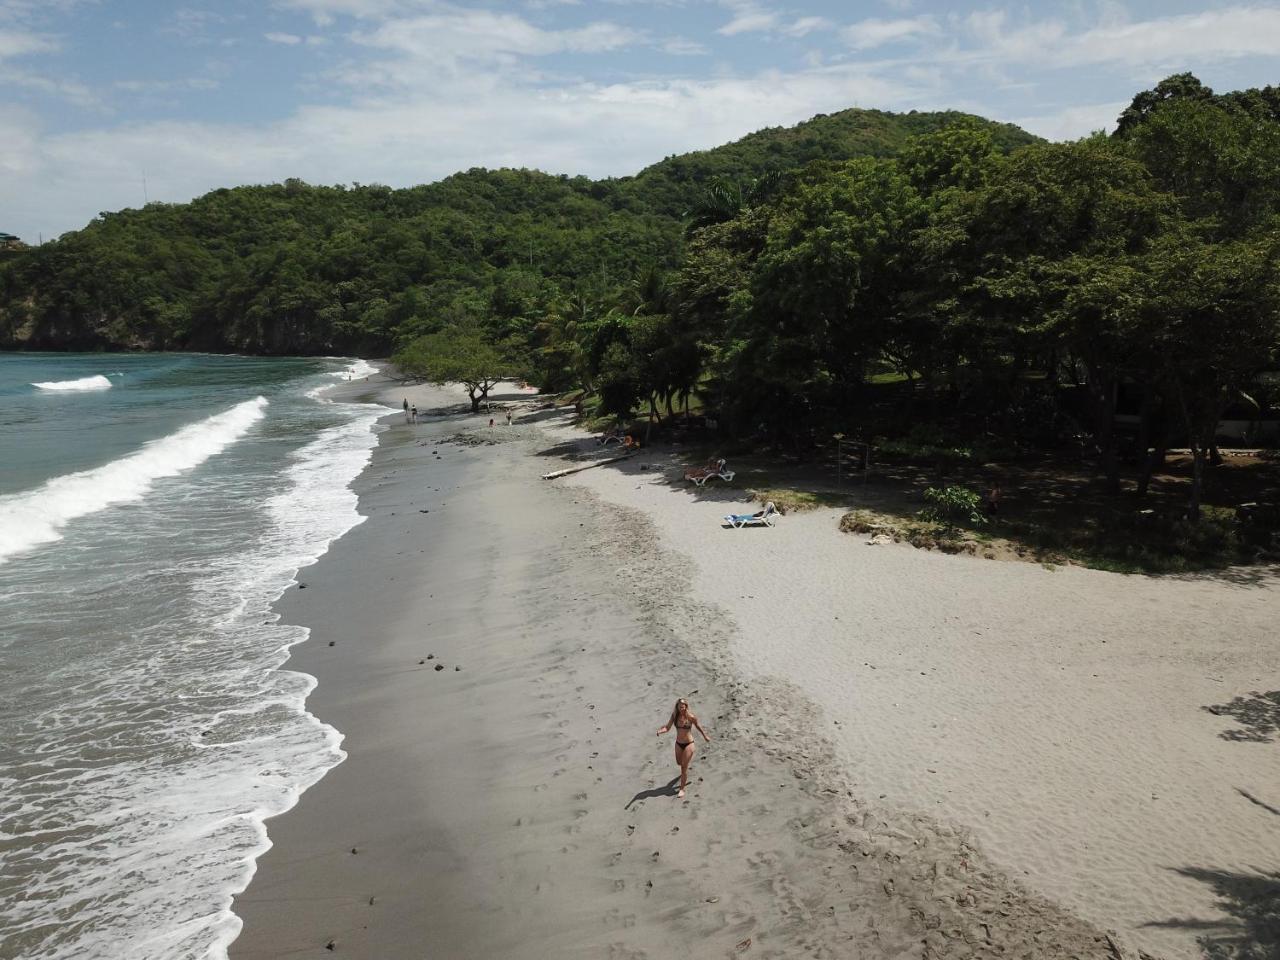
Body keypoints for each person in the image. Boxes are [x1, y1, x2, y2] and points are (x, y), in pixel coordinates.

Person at [657, 697, 710, 799]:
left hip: (689, 744)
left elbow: (698, 726)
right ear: (677, 707)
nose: (681, 708)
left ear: (686, 707)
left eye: (683, 707)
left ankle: (682, 788)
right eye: (680, 707)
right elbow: (667, 727)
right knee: (679, 762)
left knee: (683, 767)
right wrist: (660, 731)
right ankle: (683, 774)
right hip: (678, 744)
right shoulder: (674, 716)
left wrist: (705, 736)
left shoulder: (691, 717)